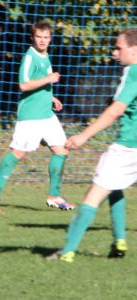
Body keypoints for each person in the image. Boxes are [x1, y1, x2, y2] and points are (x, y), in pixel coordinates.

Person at [46, 28, 137, 263]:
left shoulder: (132, 71)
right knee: (115, 187)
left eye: (119, 48)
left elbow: (115, 111)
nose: (114, 52)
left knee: (93, 195)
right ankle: (119, 240)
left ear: (134, 50)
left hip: (128, 147)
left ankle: (67, 251)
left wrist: (84, 135)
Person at [0, 21, 75, 213]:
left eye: (46, 37)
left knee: (62, 150)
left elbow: (40, 84)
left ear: (50, 39)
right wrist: (49, 80)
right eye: (39, 37)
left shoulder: (45, 55)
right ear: (33, 38)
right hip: (31, 116)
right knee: (17, 153)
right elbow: (24, 85)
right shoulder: (29, 57)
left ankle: (54, 195)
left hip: (46, 114)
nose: (42, 40)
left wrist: (51, 97)